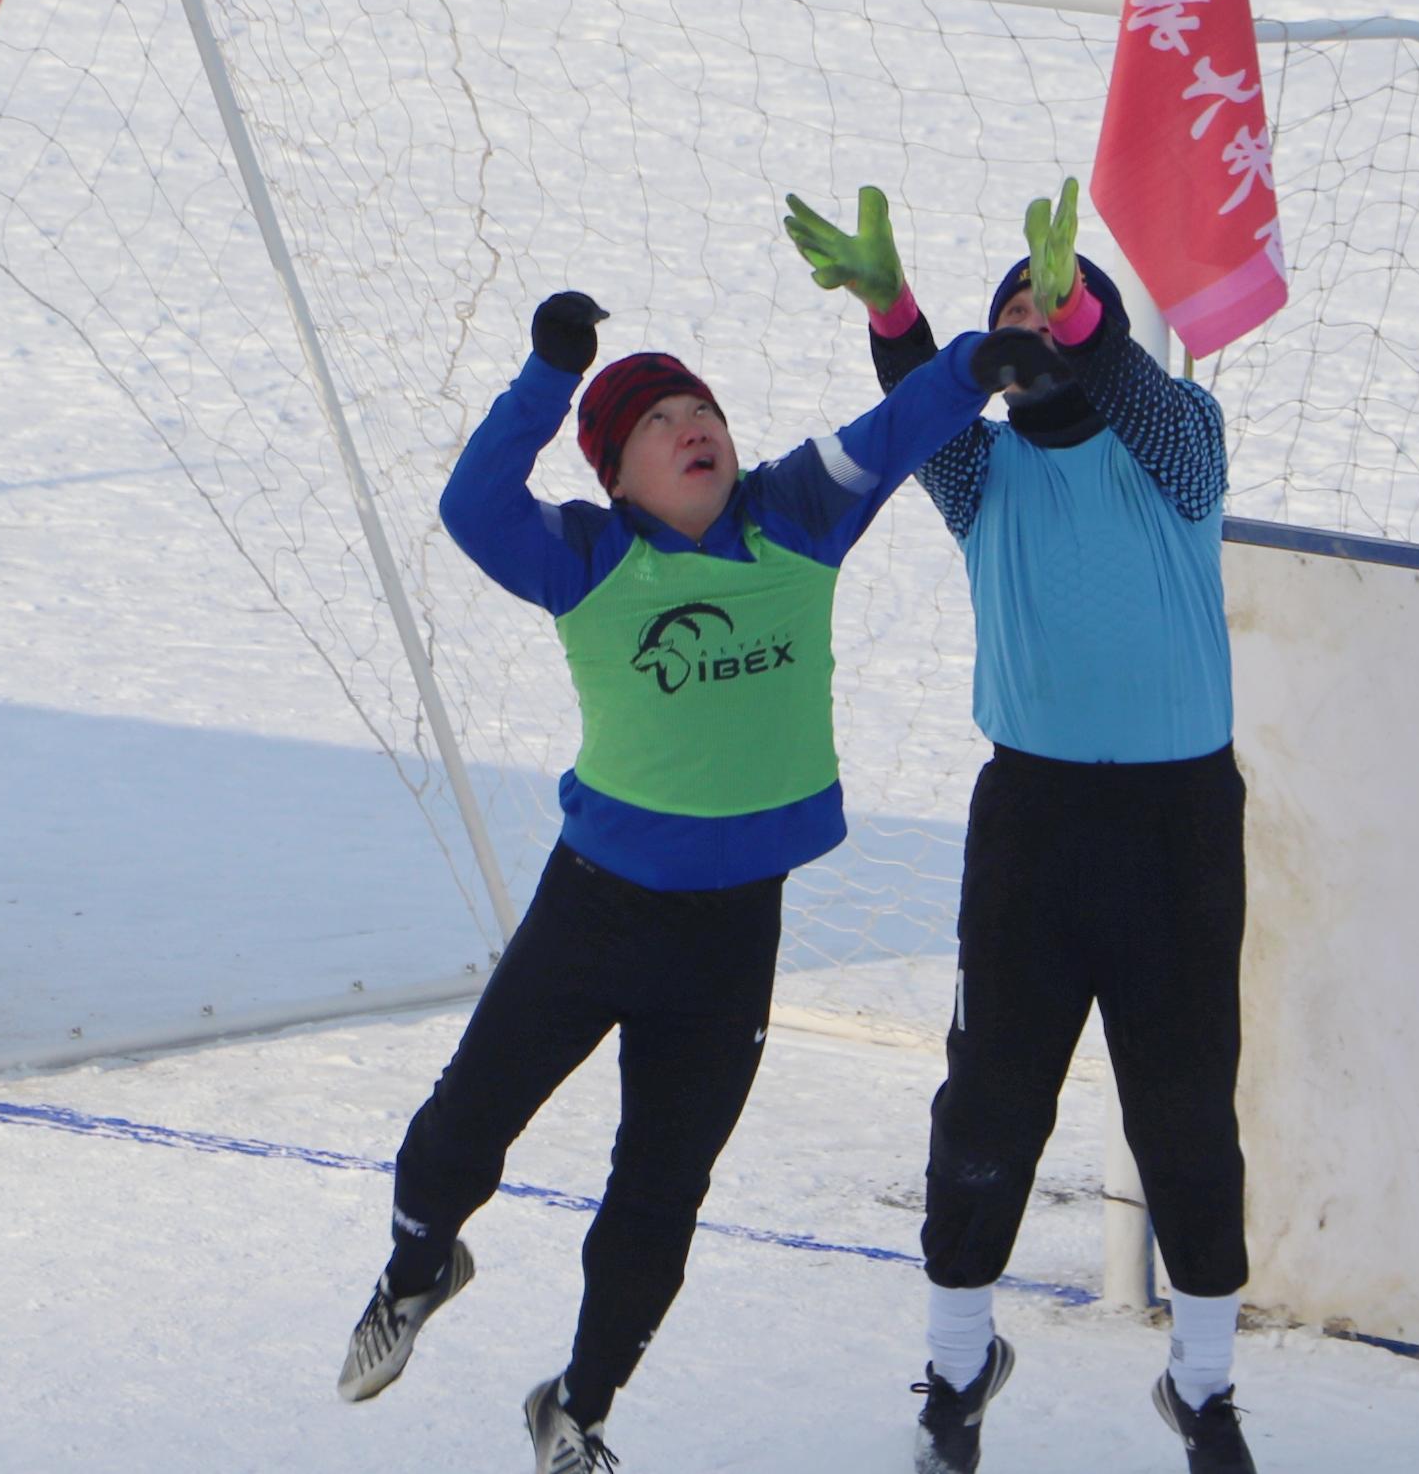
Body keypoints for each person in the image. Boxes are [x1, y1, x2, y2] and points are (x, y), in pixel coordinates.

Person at [335, 285, 1059, 1474]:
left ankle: (578, 1408)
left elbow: (895, 431)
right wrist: (548, 378)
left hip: (729, 936)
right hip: (594, 908)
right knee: (470, 1121)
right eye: (657, 420)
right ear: (617, 475)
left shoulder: (798, 515)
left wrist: (981, 357)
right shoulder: (586, 556)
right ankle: (417, 1266)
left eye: (700, 409)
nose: (690, 427)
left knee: (661, 1192)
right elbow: (470, 508)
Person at [785, 181, 1260, 1474]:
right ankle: (953, 1367)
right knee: (991, 1104)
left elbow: (1144, 398)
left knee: (1183, 1109)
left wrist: (1083, 312)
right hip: (1034, 823)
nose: (1034, 329)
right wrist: (896, 312)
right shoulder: (979, 472)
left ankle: (1205, 1389)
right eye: (1015, 321)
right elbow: (914, 418)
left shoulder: (1179, 447)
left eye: (1054, 309)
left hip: (1176, 825)